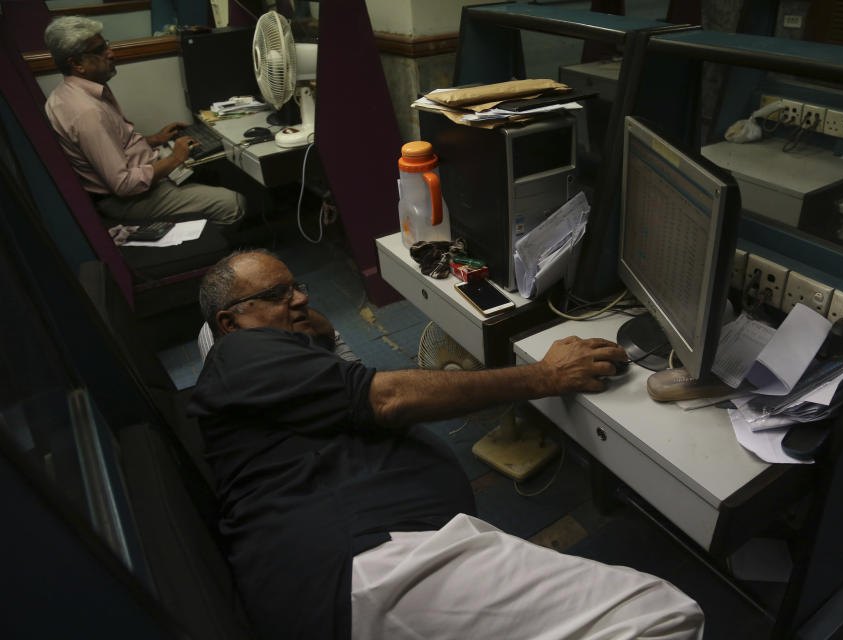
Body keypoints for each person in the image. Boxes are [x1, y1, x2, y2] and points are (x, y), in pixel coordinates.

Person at [188, 249, 705, 640]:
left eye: (296, 286)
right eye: (276, 296)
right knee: (660, 616)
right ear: (229, 325)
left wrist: (313, 335)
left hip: (354, 557)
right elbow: (386, 397)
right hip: (360, 566)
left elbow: (342, 379)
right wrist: (544, 376)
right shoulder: (239, 354)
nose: (300, 299)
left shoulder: (263, 371)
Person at [43, 16, 245, 226]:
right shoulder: (86, 112)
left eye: (106, 45)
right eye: (99, 51)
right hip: (128, 200)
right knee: (233, 203)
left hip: (139, 180)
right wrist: (174, 159)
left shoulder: (70, 93)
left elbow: (114, 146)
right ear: (76, 64)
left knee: (214, 169)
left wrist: (154, 139)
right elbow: (124, 185)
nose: (111, 54)